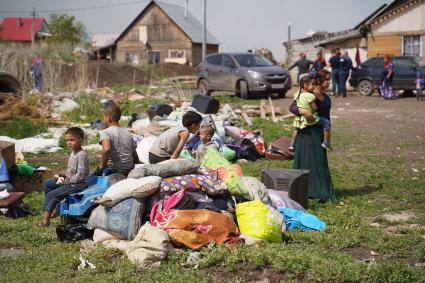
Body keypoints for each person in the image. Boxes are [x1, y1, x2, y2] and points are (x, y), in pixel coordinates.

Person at [289, 70, 336, 202]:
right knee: (305, 161)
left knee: (319, 163)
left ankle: (320, 191)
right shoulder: (308, 94)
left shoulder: (325, 97)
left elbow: (326, 116)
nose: (329, 82)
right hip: (306, 134)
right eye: (327, 80)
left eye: (330, 80)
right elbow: (292, 107)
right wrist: (302, 110)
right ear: (319, 80)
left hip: (319, 133)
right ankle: (303, 191)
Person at [37, 127, 89, 227]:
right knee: (48, 184)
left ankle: (45, 221)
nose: (69, 142)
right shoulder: (73, 152)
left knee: (52, 194)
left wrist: (65, 181)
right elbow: (71, 171)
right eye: (67, 140)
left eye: (72, 140)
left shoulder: (81, 155)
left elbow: (81, 175)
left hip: (77, 185)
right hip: (70, 182)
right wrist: (61, 175)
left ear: (81, 140)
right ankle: (56, 208)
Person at [99, 103, 138, 179]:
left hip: (117, 170)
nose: (103, 120)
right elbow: (134, 155)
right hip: (130, 169)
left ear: (108, 118)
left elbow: (106, 149)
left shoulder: (106, 132)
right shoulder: (127, 133)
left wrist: (101, 168)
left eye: (103, 117)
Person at [289, 74, 319, 151]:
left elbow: (294, 105)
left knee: (296, 130)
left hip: (298, 118)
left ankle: (292, 144)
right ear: (305, 85)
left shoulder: (297, 94)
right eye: (313, 84)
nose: (314, 86)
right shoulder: (310, 96)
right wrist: (314, 109)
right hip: (308, 118)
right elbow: (314, 107)